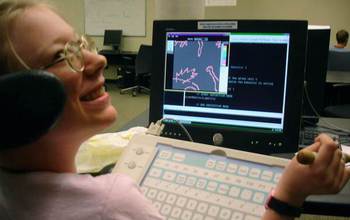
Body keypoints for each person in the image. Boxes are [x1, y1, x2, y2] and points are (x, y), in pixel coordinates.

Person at [0, 1, 349, 220]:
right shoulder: (111, 202)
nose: (99, 59)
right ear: (12, 100)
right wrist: (287, 196)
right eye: (65, 55)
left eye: (82, 45)